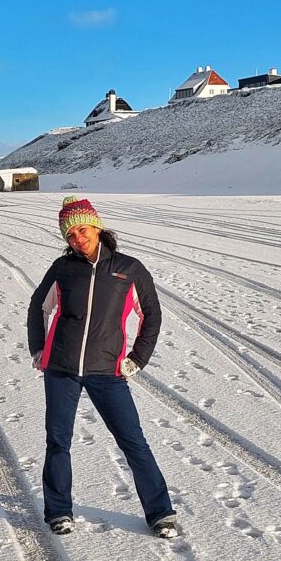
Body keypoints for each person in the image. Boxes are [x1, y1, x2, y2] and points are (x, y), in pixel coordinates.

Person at [27, 195, 177, 540]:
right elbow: (39, 307)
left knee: (133, 442)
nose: (78, 238)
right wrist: (38, 348)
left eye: (82, 230)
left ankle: (160, 513)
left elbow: (151, 315)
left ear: (96, 227)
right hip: (61, 369)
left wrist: (137, 358)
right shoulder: (63, 268)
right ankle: (59, 512)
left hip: (107, 371)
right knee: (58, 441)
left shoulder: (129, 269)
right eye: (70, 235)